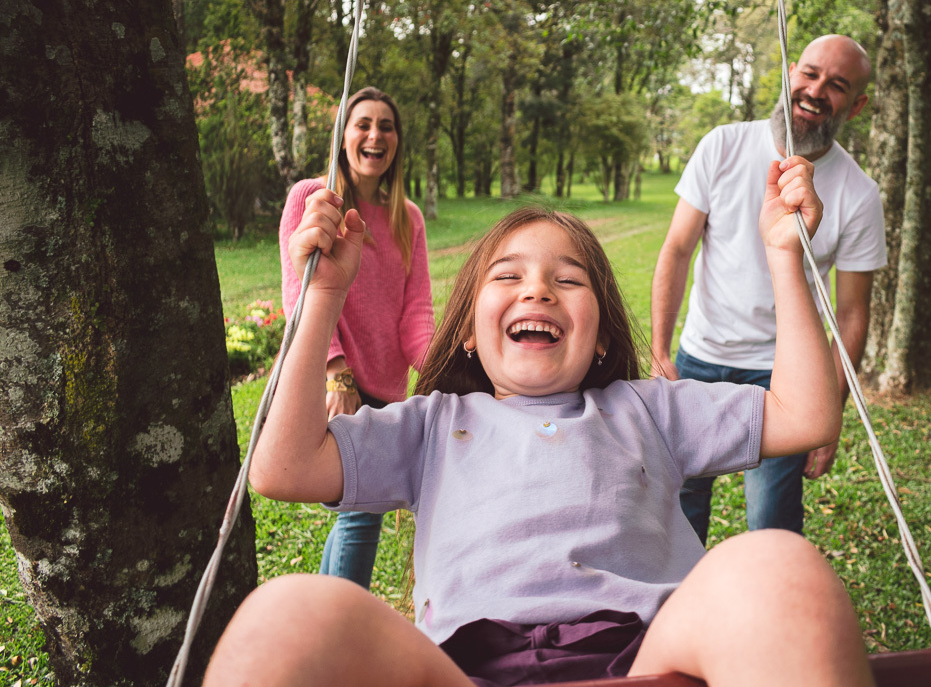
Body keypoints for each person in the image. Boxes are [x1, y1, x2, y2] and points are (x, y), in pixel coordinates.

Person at [204, 158, 875, 687]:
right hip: (464, 669)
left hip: (647, 658)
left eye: (568, 280)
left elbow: (805, 415)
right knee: (284, 617)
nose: (537, 291)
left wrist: (786, 257)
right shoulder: (433, 427)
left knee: (776, 564)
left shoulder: (649, 408)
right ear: (467, 333)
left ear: (603, 339)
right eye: (508, 277)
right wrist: (323, 295)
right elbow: (282, 467)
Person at [651, 34, 886, 544]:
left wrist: (832, 408)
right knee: (680, 513)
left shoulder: (861, 195)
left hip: (782, 377)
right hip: (698, 360)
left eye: (837, 84)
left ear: (857, 104)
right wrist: (658, 350)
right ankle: (678, 620)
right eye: (810, 72)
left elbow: (851, 316)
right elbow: (676, 250)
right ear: (791, 70)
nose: (817, 89)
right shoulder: (723, 144)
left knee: (772, 526)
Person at [279, 85, 434, 590]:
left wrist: (442, 369)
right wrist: (335, 375)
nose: (375, 135)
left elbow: (416, 313)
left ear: (397, 142)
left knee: (355, 513)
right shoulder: (313, 198)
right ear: (342, 137)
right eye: (362, 123)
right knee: (361, 515)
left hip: (388, 392)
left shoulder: (407, 217)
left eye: (386, 126)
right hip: (338, 386)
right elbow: (295, 291)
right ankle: (341, 635)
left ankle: (328, 619)